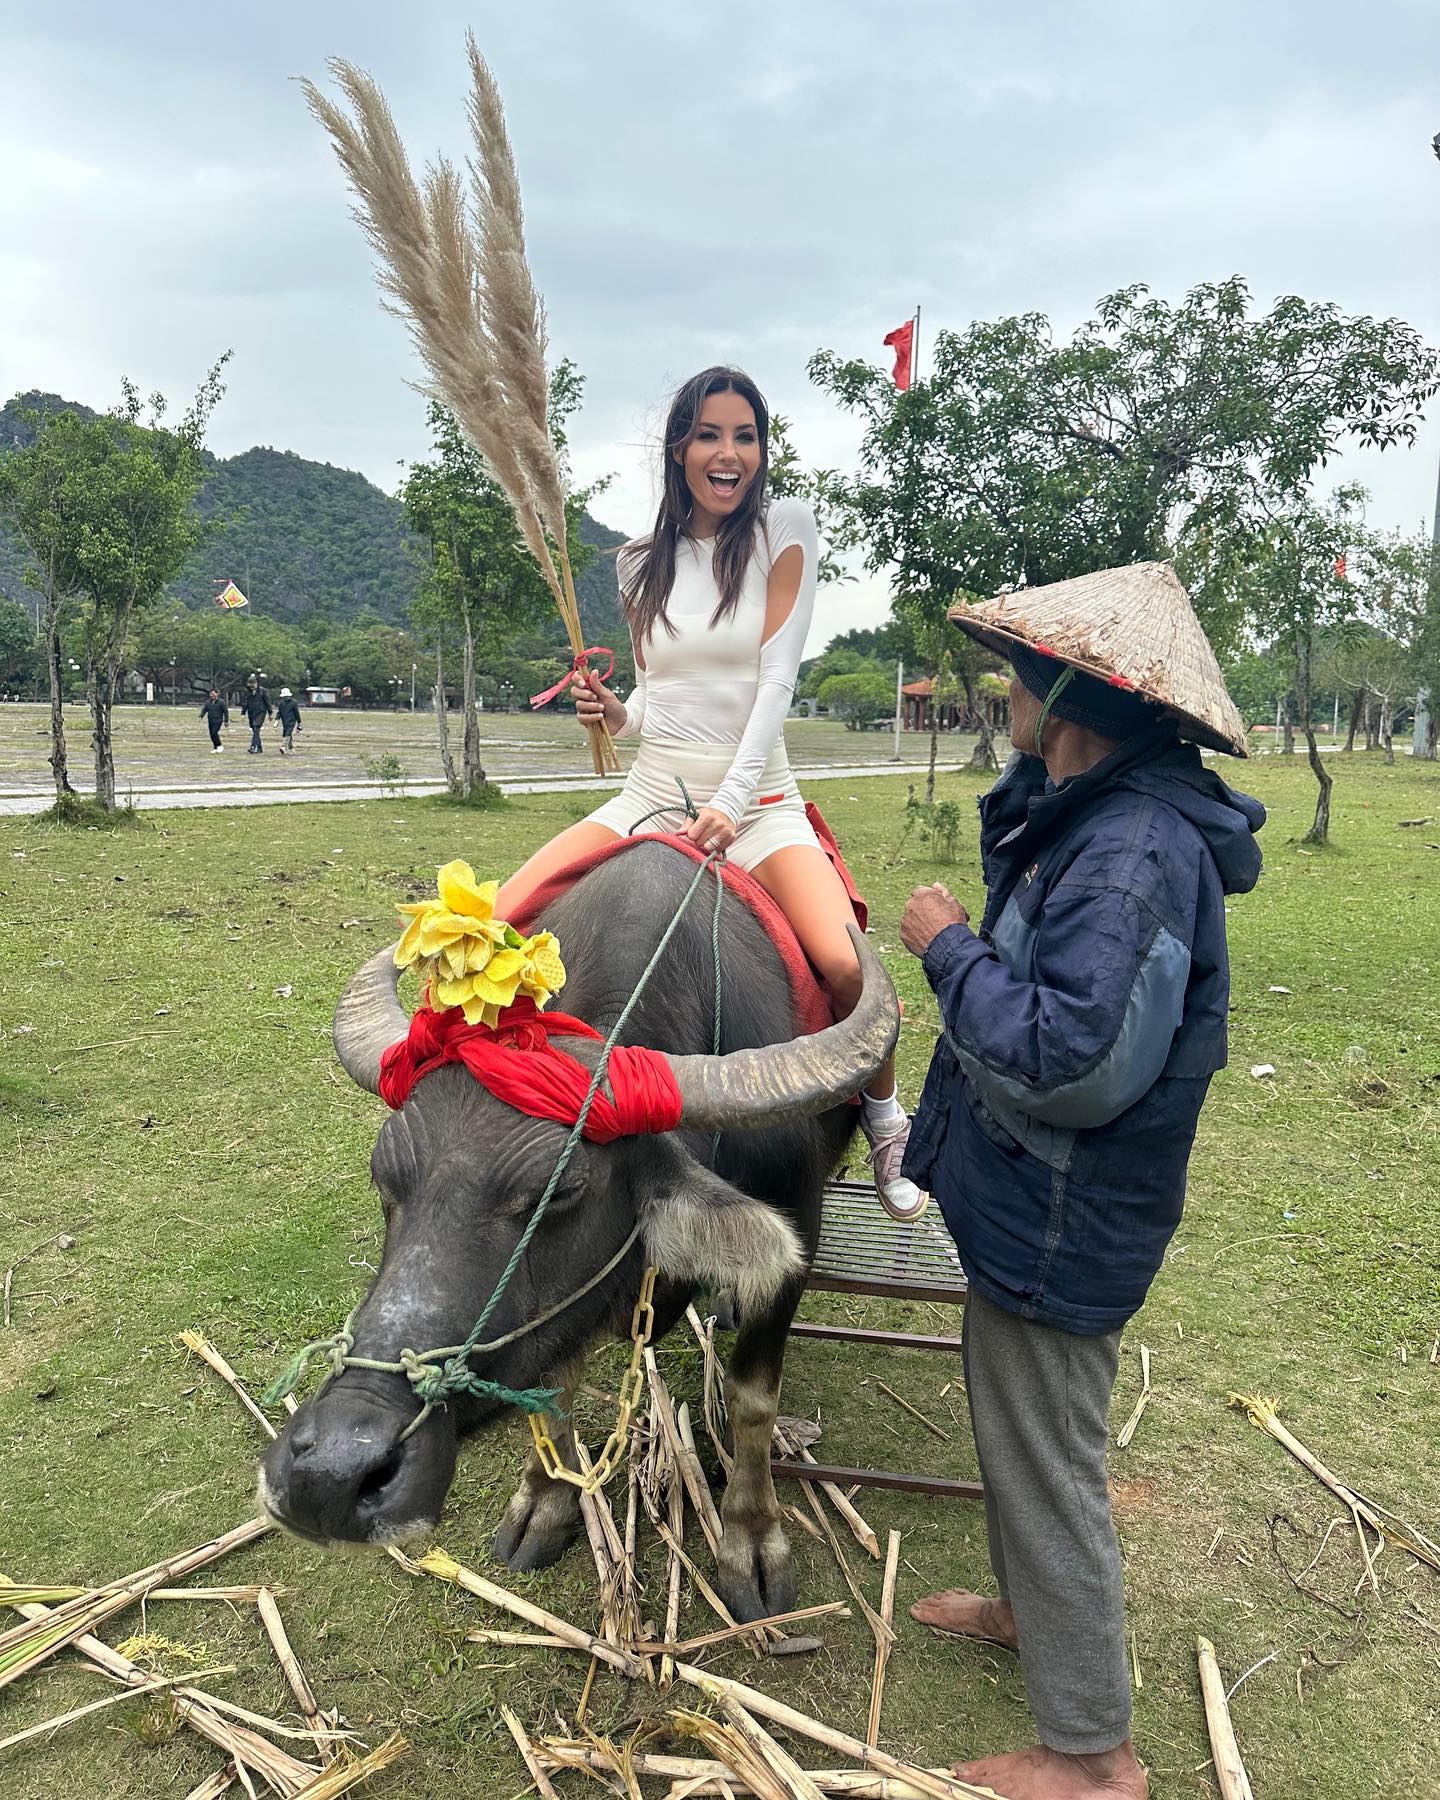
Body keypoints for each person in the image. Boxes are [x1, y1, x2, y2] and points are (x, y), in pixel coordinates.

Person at [898, 563, 1264, 1800]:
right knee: (1017, 1428)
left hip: (1062, 1217)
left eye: (1020, 677)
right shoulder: (1092, 811)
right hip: (1028, 1199)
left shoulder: (1130, 854)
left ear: (1067, 700)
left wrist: (948, 947)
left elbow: (1072, 1061)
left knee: (1049, 1460)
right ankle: (1030, 1613)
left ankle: (1094, 1756)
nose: (1003, 691)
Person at [494, 366, 920, 1218]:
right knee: (495, 922)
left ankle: (883, 1119)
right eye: (710, 435)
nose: (729, 454)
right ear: (679, 447)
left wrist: (732, 801)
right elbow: (661, 699)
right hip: (651, 793)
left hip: (759, 806)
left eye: (745, 436)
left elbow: (775, 684)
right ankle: (511, 1115)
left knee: (847, 966)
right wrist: (618, 713)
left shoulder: (784, 529)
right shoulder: (635, 563)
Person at [241, 676, 272, 754]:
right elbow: (245, 703)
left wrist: (270, 713)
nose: (251, 687)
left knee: (256, 727)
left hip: (261, 712)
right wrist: (243, 713)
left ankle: (253, 746)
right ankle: (259, 748)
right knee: (255, 730)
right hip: (251, 713)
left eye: (253, 684)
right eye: (250, 685)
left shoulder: (263, 691)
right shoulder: (247, 692)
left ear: (256, 683)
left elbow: (268, 702)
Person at [275, 687, 303, 755]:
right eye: (284, 696)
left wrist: (299, 722)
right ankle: (291, 748)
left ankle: (283, 746)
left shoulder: (294, 703)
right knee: (287, 734)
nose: (285, 698)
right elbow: (279, 712)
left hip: (291, 721)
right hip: (284, 721)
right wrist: (277, 719)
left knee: (288, 733)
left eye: (286, 696)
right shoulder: (281, 703)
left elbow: (296, 713)